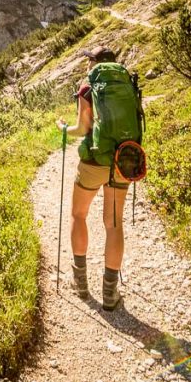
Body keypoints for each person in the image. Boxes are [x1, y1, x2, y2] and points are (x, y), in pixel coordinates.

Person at [56, 46, 129, 310]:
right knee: (113, 223)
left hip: (93, 161)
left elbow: (82, 128)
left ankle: (81, 285)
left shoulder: (89, 86)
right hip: (122, 161)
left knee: (78, 215)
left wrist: (64, 128)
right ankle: (110, 295)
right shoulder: (126, 84)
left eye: (89, 61)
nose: (87, 65)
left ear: (95, 63)